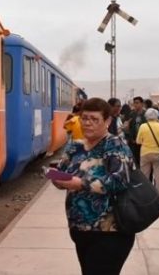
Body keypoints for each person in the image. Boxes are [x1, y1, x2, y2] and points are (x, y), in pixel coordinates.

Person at [52, 97, 135, 275]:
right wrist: (57, 179)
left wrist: (80, 183)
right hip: (79, 228)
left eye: (94, 119)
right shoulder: (75, 147)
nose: (87, 123)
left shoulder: (115, 144)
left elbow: (120, 180)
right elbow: (62, 171)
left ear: (107, 121)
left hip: (109, 231)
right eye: (84, 118)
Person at [136, 108, 159, 199]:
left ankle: (145, 195)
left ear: (146, 117)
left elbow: (138, 141)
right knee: (158, 176)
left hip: (145, 153)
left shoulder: (143, 126)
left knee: (144, 175)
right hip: (157, 152)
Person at [123, 96, 146, 167]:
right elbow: (128, 128)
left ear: (142, 104)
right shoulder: (132, 114)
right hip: (133, 142)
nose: (135, 105)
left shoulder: (146, 114)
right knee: (135, 162)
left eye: (137, 103)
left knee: (144, 163)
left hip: (144, 142)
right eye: (134, 103)